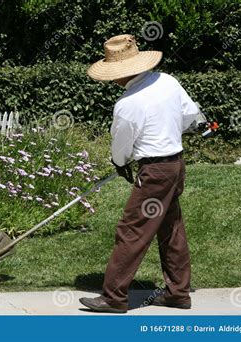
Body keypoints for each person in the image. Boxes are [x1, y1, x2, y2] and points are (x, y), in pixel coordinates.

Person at [79, 34, 199, 313]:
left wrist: (121, 163)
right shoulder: (168, 81)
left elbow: (122, 147)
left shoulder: (127, 104)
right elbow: (190, 114)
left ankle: (113, 297)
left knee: (132, 229)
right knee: (170, 228)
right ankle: (178, 293)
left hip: (155, 172)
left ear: (122, 73)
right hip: (175, 165)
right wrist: (165, 131)